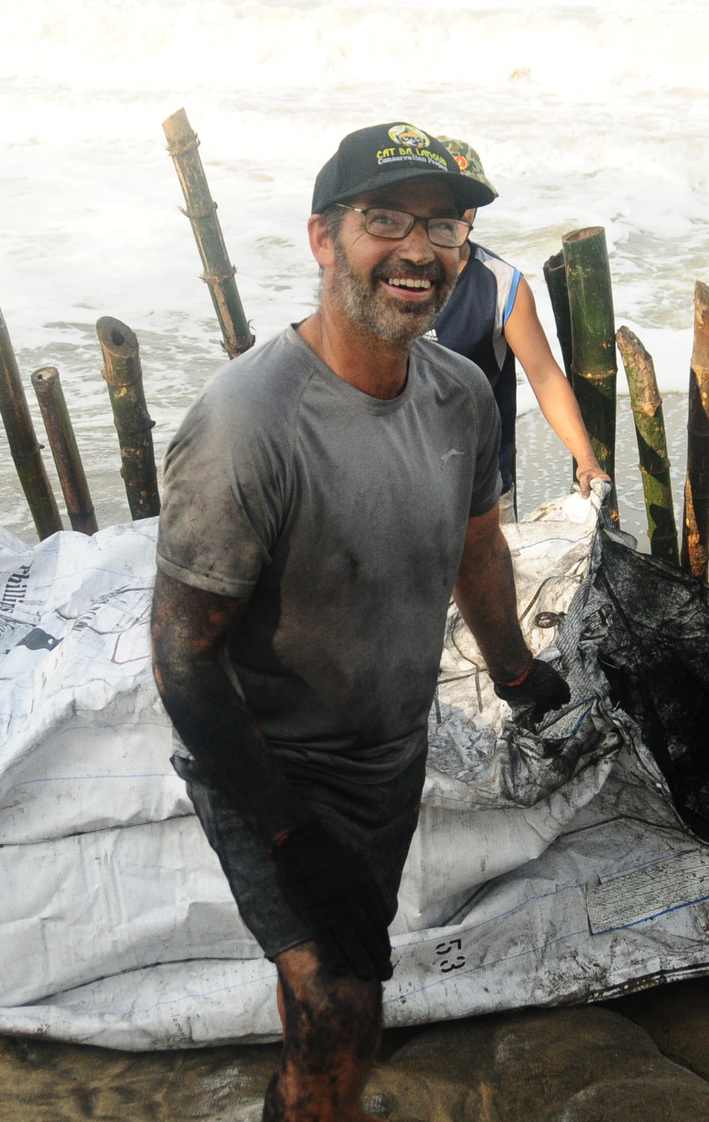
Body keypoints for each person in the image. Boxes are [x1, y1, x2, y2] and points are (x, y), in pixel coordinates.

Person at [150, 121, 574, 1122]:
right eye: (385, 219)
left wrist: (515, 669)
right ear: (321, 238)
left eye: (446, 224)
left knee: (340, 988)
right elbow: (183, 659)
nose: (419, 249)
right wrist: (290, 833)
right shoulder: (246, 423)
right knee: (340, 996)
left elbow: (476, 547)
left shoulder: (459, 393)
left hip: (387, 751)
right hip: (270, 762)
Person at [430, 138, 608, 516]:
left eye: (465, 204)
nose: (454, 215)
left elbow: (544, 378)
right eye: (442, 202)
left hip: (485, 493)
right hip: (404, 486)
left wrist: (586, 459)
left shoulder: (500, 284)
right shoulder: (390, 280)